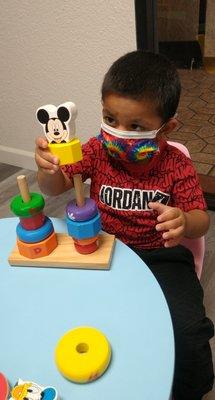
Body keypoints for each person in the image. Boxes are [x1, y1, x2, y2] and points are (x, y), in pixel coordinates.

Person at [35, 50, 214, 400]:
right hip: (104, 248)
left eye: (134, 126)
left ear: (167, 128)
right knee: (68, 311)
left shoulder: (176, 165)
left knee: (188, 330)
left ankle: (191, 389)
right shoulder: (96, 150)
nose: (118, 132)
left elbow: (201, 220)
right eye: (110, 118)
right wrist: (47, 169)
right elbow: (53, 188)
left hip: (161, 256)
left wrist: (183, 221)